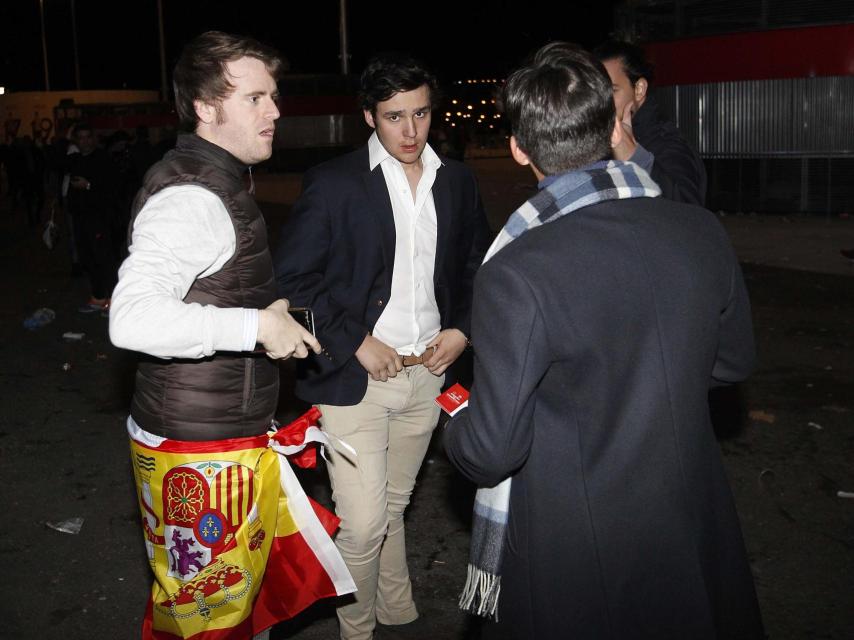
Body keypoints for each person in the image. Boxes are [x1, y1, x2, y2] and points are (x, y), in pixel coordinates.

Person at [443, 42, 764, 639]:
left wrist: (455, 422)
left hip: (580, 544)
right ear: (612, 126)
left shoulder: (517, 269)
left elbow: (491, 450)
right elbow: (732, 361)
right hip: (690, 513)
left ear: (518, 148)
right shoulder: (698, 227)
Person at [109, 31, 353, 639]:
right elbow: (132, 317)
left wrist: (270, 323)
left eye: (274, 96)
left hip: (214, 431)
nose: (275, 111)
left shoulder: (218, 178)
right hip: (201, 449)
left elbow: (215, 290)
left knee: (234, 607)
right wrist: (254, 325)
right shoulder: (193, 196)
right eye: (256, 98)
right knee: (209, 622)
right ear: (206, 107)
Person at [275, 53, 491, 640]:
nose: (410, 130)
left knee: (393, 508)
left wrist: (463, 327)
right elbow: (291, 280)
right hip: (354, 381)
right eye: (395, 116)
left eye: (420, 113)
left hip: (428, 374)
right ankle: (358, 629)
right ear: (369, 116)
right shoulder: (335, 182)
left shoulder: (459, 180)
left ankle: (396, 608)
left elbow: (476, 266)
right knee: (365, 522)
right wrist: (355, 341)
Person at [595, 39, 707, 206]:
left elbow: (688, 213)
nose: (601, 101)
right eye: (595, 92)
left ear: (639, 89)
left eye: (611, 90)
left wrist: (634, 157)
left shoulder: (666, 142)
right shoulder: (599, 140)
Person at [66, 122, 120, 311]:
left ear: (94, 139)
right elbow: (54, 161)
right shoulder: (76, 159)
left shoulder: (103, 159)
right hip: (81, 218)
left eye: (88, 137)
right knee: (88, 259)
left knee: (104, 259)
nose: (85, 141)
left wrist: (88, 186)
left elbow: (113, 188)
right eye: (80, 138)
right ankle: (98, 298)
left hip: (99, 219)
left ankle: (115, 302)